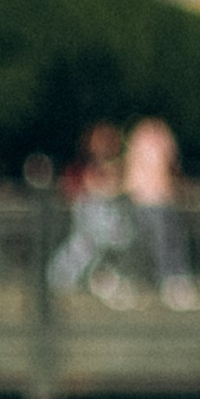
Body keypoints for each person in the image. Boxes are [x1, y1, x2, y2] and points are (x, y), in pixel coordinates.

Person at [47, 122, 133, 303]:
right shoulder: (86, 165)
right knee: (84, 246)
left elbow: (118, 187)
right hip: (89, 210)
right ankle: (59, 279)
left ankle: (97, 278)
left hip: (105, 213)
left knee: (114, 241)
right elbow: (81, 188)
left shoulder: (114, 164)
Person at [122, 117, 199, 310]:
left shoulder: (152, 135)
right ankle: (165, 282)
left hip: (158, 198)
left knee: (167, 241)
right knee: (159, 242)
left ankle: (170, 282)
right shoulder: (147, 136)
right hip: (148, 198)